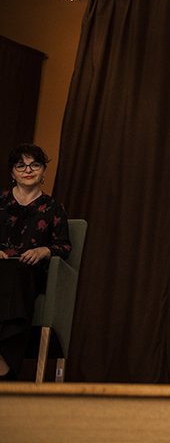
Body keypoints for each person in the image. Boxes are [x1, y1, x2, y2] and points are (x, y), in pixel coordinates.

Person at [0, 144, 70, 380]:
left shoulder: (53, 208)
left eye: (34, 165)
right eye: (21, 166)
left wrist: (44, 250)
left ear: (43, 171)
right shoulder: (0, 202)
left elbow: (64, 246)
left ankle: (4, 368)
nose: (28, 170)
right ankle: (4, 370)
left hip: (29, 273)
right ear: (12, 172)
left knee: (16, 274)